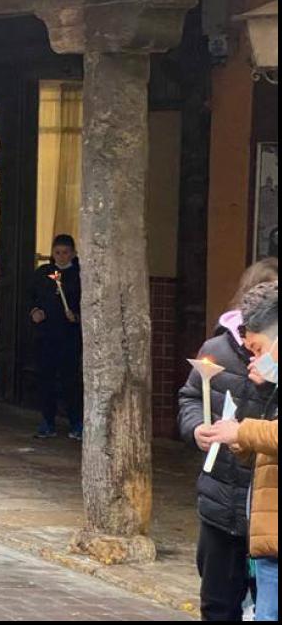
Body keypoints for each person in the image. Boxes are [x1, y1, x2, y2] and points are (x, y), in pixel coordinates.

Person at [180, 259, 278, 621]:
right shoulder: (218, 350)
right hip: (223, 501)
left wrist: (242, 432)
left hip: (269, 518)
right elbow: (189, 397)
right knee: (219, 604)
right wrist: (199, 429)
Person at [29, 234, 83, 440]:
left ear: (73, 253)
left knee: (70, 380)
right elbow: (31, 297)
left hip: (69, 336)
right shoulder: (43, 274)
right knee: (46, 379)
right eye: (57, 253)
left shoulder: (79, 275)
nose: (61, 257)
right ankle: (47, 421)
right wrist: (35, 311)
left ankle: (76, 422)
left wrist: (76, 316)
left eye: (66, 253)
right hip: (46, 335)